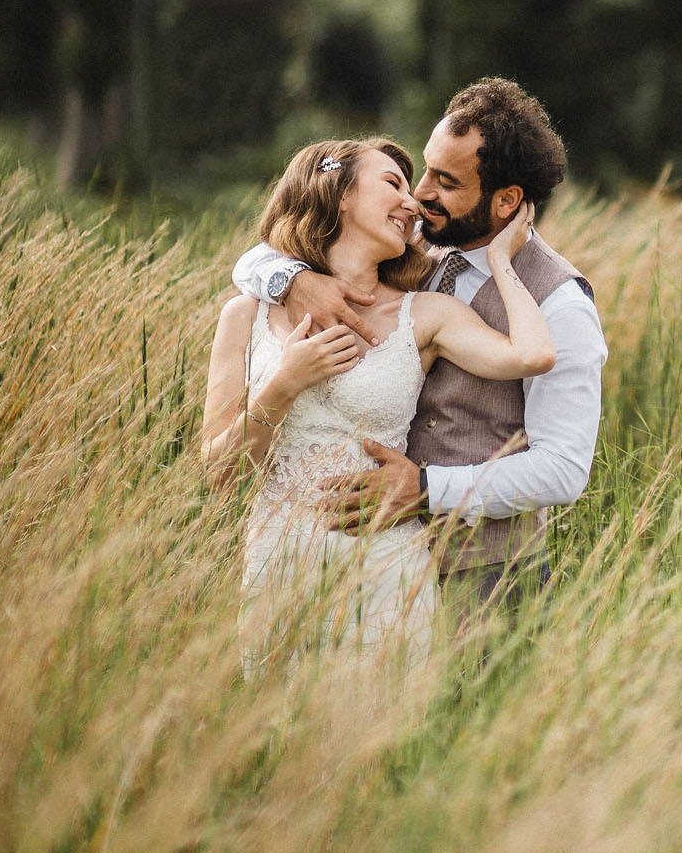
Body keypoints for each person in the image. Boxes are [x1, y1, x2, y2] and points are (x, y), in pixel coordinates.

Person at [229, 78, 608, 625]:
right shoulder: (412, 242)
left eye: (446, 181)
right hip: (358, 556)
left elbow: (563, 471)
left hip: (485, 573)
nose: (420, 194)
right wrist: (292, 281)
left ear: (505, 201)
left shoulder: (560, 303)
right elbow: (261, 253)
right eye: (424, 170)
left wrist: (427, 489)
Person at [201, 137, 555, 672]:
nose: (413, 202)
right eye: (392, 183)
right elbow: (219, 475)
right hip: (280, 560)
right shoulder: (244, 317)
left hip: (386, 563)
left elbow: (534, 353)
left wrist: (505, 261)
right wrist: (284, 384)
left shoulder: (427, 314)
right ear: (340, 195)